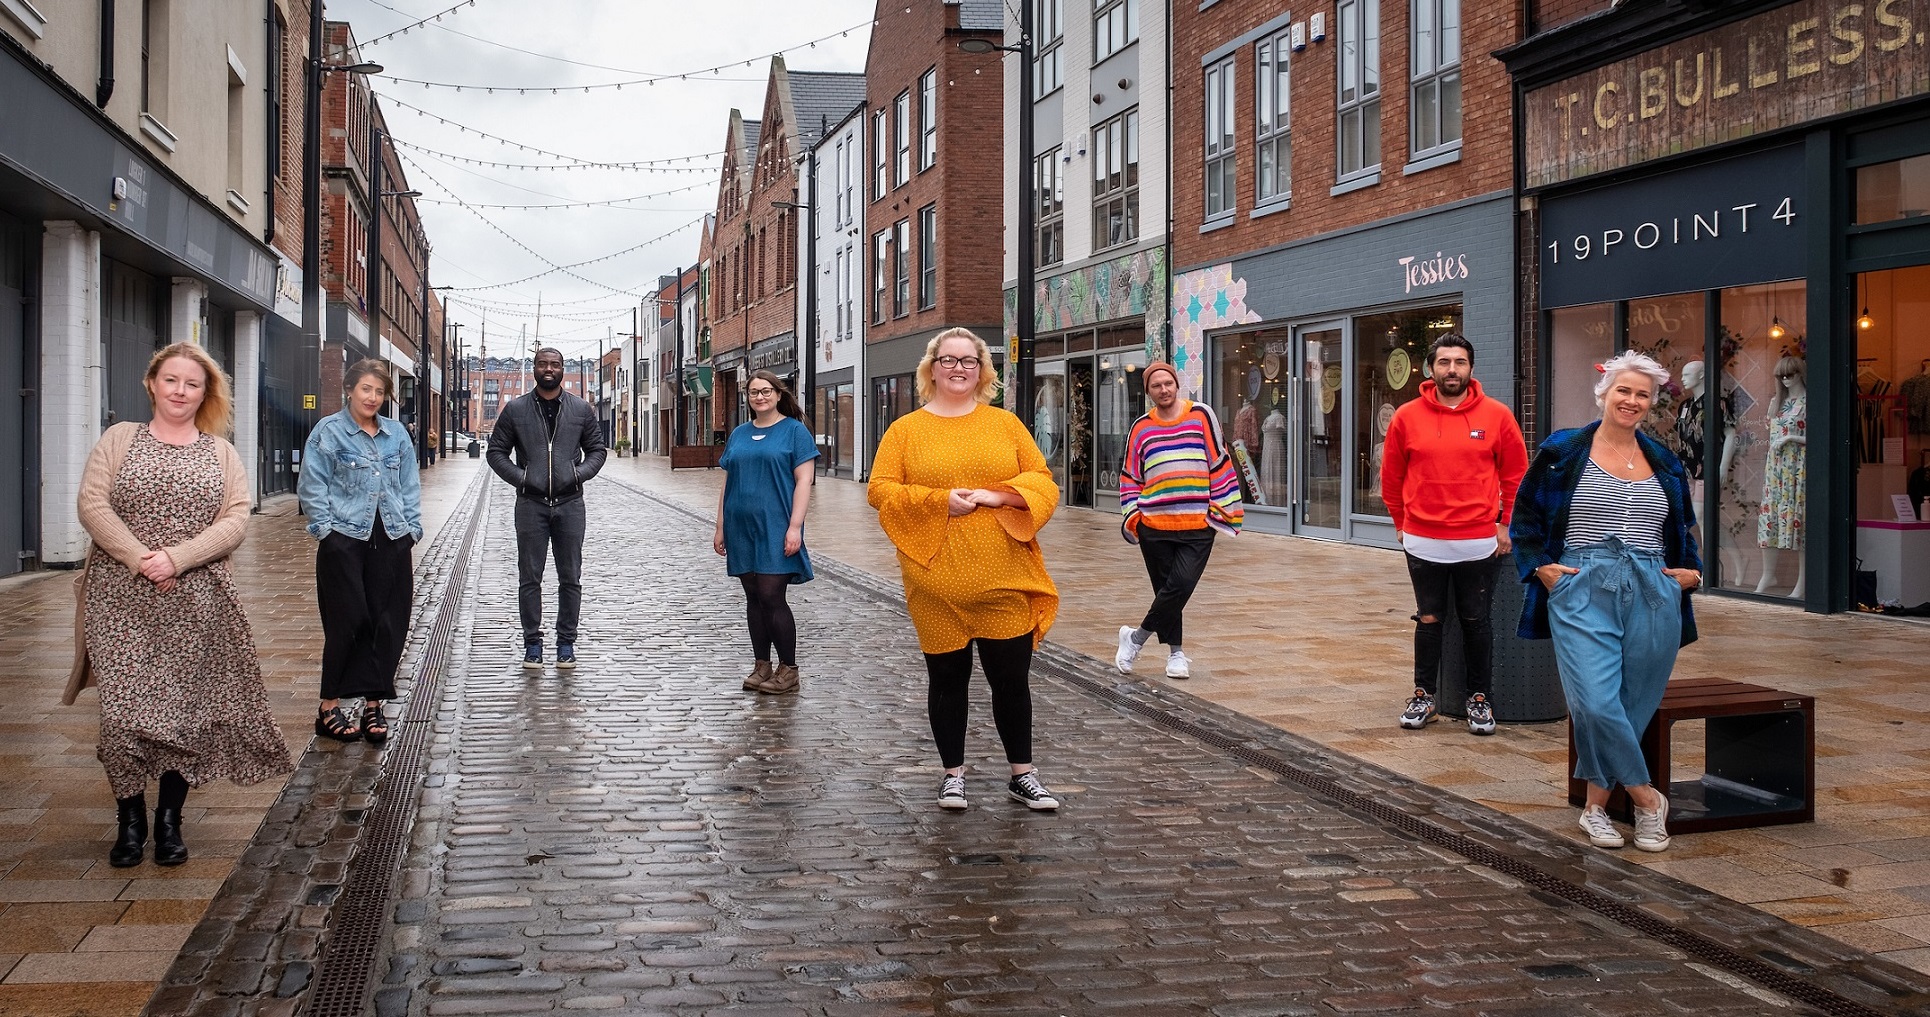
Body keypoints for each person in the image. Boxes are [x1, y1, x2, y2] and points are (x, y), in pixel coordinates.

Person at [68, 342, 293, 867]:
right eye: (171, 380)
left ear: (205, 392)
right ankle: (130, 820)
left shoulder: (220, 453)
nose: (180, 391)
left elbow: (235, 520)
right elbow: (91, 503)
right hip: (119, 598)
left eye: (192, 384)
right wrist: (141, 558)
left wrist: (178, 559)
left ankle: (169, 823)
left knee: (182, 715)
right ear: (152, 383)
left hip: (197, 600)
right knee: (121, 717)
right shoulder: (119, 439)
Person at [1512, 351, 1703, 853]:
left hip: (1652, 589)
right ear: (1604, 394)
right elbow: (1525, 515)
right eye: (1624, 390)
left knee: (1631, 704)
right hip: (1581, 585)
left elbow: (1682, 526)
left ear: (1651, 403)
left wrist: (1693, 573)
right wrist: (1540, 568)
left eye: (1642, 394)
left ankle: (1596, 808)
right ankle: (1646, 799)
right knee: (1594, 702)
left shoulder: (1664, 460)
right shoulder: (1562, 449)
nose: (1632, 401)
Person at [868, 327, 1062, 812]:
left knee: (1011, 681)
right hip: (935, 577)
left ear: (983, 370)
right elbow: (881, 489)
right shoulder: (906, 430)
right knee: (947, 680)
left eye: (969, 361)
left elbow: (1041, 479)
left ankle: (1024, 774)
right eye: (949, 360)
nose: (958, 369)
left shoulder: (1004, 424)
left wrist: (999, 494)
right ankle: (952, 775)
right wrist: (939, 503)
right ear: (932, 368)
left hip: (1003, 574)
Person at [1380, 334, 1528, 735]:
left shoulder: (1497, 415)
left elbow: (1516, 474)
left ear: (1470, 369)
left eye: (1459, 362)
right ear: (1431, 369)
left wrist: (1505, 523)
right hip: (1422, 538)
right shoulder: (1407, 417)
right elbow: (1391, 478)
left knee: (1476, 621)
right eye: (1444, 362)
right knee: (1429, 619)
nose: (1452, 370)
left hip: (1478, 540)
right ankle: (1423, 696)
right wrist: (1399, 523)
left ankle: (1479, 699)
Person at [298, 359, 425, 746]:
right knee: (347, 622)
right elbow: (312, 484)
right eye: (365, 389)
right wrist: (326, 533)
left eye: (379, 391)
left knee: (388, 624)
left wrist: (412, 530)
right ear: (349, 390)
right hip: (344, 540)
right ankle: (329, 707)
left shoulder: (396, 434)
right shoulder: (329, 431)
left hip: (391, 537)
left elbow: (409, 486)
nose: (372, 397)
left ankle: (374, 705)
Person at [1114, 360, 1243, 679]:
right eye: (1156, 386)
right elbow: (1130, 475)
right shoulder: (1141, 427)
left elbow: (1220, 461)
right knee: (1167, 590)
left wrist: (1223, 508)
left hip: (1198, 524)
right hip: (1154, 525)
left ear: (1176, 384)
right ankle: (1176, 654)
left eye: (1167, 383)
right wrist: (1133, 516)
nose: (1163, 390)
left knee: (1180, 585)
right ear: (1148, 392)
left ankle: (1136, 638)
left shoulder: (1201, 415)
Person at [487, 347, 608, 670]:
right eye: (543, 364)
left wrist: (576, 474)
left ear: (562, 369)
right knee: (530, 578)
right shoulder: (515, 410)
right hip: (531, 505)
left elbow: (597, 450)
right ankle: (532, 645)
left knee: (571, 578)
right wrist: (523, 478)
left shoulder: (581, 409)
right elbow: (496, 452)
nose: (549, 369)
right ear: (535, 368)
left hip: (570, 505)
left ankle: (566, 643)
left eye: (555, 364)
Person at [713, 370, 818, 695]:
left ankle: (789, 669)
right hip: (740, 526)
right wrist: (720, 526)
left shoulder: (794, 432)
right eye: (753, 392)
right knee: (754, 598)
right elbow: (728, 481)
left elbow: (804, 481)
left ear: (778, 393)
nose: (759, 397)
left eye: (766, 391)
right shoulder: (740, 434)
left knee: (772, 596)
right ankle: (762, 665)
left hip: (776, 525)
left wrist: (795, 527)